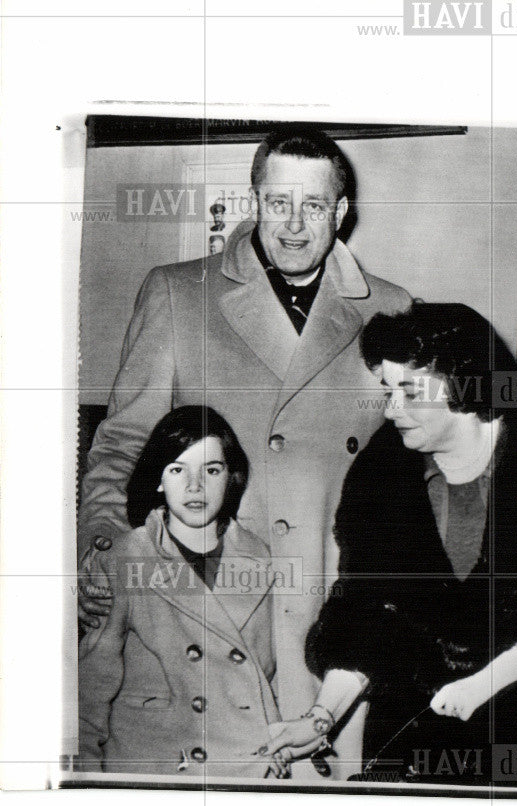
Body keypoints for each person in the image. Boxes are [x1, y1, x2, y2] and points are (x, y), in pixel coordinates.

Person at [77, 127, 411, 777]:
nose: (293, 224)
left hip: (335, 631)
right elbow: (121, 449)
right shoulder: (177, 293)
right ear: (254, 198)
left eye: (313, 205)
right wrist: (107, 566)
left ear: (341, 212)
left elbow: (414, 486)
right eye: (278, 201)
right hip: (198, 619)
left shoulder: (393, 310)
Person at [260, 303, 517, 783]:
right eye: (387, 390)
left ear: (462, 381)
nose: (389, 408)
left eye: (407, 391)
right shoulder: (382, 473)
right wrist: (321, 718)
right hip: (412, 738)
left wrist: (481, 686)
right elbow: (364, 611)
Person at [77, 406, 278, 777]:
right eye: (177, 469)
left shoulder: (259, 557)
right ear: (158, 479)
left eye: (211, 470)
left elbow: (266, 671)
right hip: (153, 763)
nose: (195, 487)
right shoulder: (124, 558)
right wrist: (85, 781)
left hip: (244, 763)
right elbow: (91, 692)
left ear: (231, 478)